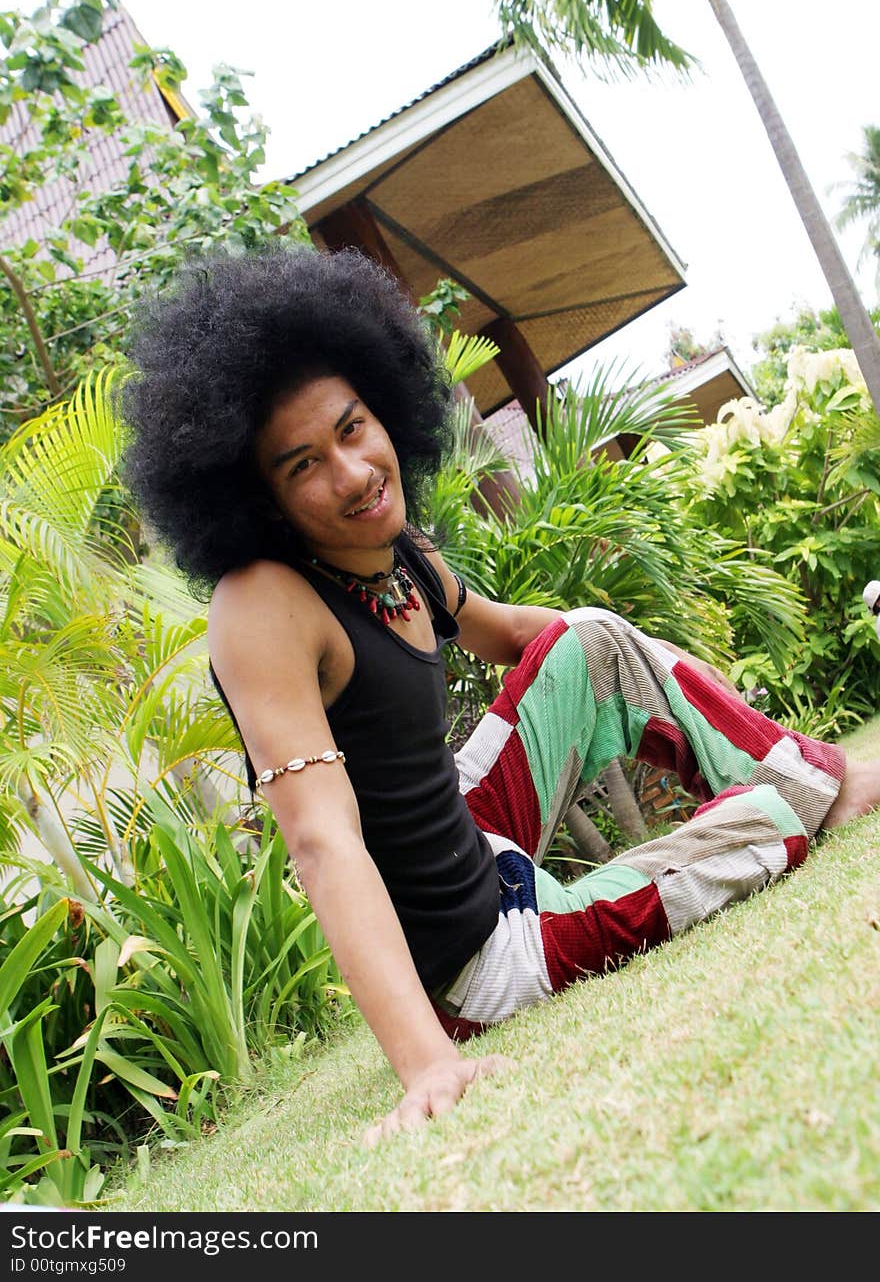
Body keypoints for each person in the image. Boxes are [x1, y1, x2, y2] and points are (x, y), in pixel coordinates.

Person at [121, 243, 880, 1145]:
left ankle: (816, 778)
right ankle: (808, 796)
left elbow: (539, 640)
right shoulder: (263, 609)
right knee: (763, 831)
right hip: (478, 962)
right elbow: (322, 842)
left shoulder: (398, 553)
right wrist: (426, 1064)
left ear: (385, 406)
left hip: (479, 842)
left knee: (586, 634)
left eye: (354, 428)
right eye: (303, 466)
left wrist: (693, 696)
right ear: (260, 500)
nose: (354, 473)